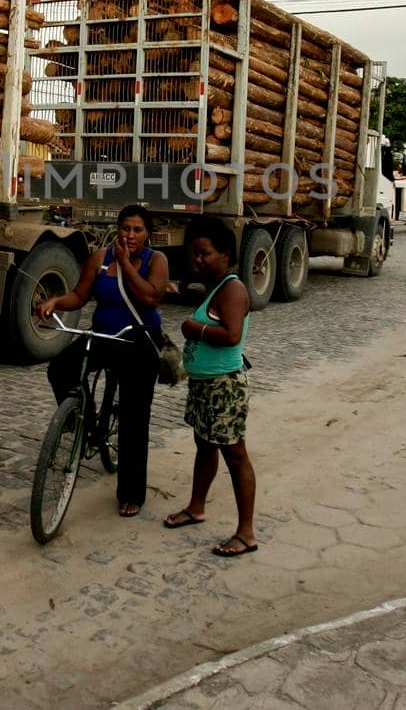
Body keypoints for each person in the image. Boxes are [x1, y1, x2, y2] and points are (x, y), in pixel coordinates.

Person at [37, 204, 168, 518]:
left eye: (137, 230)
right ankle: (82, 421)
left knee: (134, 422)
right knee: (60, 368)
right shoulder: (99, 258)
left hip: (138, 341)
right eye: (125, 228)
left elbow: (150, 297)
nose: (130, 235)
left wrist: (125, 263)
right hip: (104, 335)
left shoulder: (156, 260)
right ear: (117, 229)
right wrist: (56, 301)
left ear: (147, 233)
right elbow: (80, 296)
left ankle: (132, 494)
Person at [162, 218, 258, 557]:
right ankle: (196, 506)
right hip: (205, 385)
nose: (197, 259)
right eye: (195, 253)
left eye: (204, 254)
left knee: (235, 454)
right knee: (204, 445)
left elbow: (231, 335)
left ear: (225, 254)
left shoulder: (232, 289)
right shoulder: (215, 286)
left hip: (224, 387)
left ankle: (246, 533)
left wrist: (194, 329)